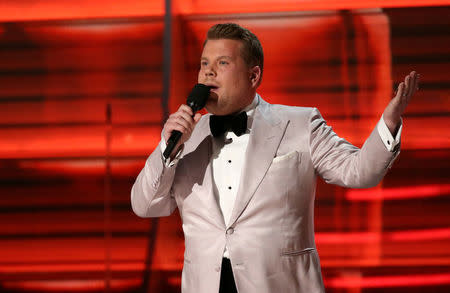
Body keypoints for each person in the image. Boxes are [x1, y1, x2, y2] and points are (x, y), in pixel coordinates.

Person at [131, 23, 419, 293]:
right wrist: (166, 149)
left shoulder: (300, 123)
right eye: (204, 64)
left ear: (253, 75)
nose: (208, 73)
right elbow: (146, 206)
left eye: (222, 63)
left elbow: (359, 172)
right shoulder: (187, 136)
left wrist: (389, 123)